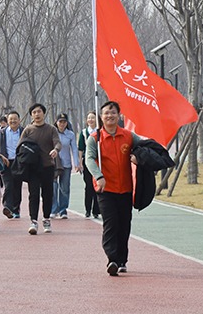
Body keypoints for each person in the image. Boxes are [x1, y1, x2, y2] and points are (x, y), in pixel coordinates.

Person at [85, 101, 142, 276]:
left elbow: (144, 147)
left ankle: (122, 259)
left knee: (124, 225)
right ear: (101, 117)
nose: (109, 116)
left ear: (119, 116)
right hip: (105, 189)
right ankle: (112, 259)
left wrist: (138, 156)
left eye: (113, 113)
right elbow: (89, 159)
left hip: (125, 189)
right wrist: (99, 176)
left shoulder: (128, 136)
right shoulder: (95, 138)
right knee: (111, 224)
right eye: (106, 113)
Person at [20, 103, 61, 235]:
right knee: (34, 194)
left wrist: (55, 150)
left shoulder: (51, 129)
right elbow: (20, 145)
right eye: (34, 112)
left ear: (44, 113)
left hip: (48, 166)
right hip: (32, 168)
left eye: (39, 112)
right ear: (31, 115)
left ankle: (46, 219)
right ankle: (33, 221)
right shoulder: (28, 130)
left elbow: (57, 142)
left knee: (47, 194)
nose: (37, 114)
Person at [51, 113, 81, 219]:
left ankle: (63, 210)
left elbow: (74, 149)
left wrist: (76, 163)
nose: (62, 124)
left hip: (66, 164)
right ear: (56, 122)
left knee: (64, 188)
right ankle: (53, 209)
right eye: (60, 122)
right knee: (53, 187)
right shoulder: (52, 132)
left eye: (64, 122)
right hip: (53, 164)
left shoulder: (70, 134)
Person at [0, 111, 24, 219]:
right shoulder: (2, 133)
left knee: (17, 186)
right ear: (7, 121)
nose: (13, 121)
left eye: (15, 119)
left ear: (19, 120)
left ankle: (16, 209)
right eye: (10, 119)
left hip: (19, 162)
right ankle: (7, 207)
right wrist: (1, 158)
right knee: (8, 185)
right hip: (6, 162)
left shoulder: (23, 132)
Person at [78, 111, 100, 218]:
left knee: (98, 185)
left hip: (99, 162)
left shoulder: (100, 131)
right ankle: (87, 209)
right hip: (87, 162)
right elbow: (81, 148)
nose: (90, 120)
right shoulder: (84, 132)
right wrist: (80, 162)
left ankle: (96, 210)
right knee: (89, 186)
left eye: (93, 118)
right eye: (89, 118)